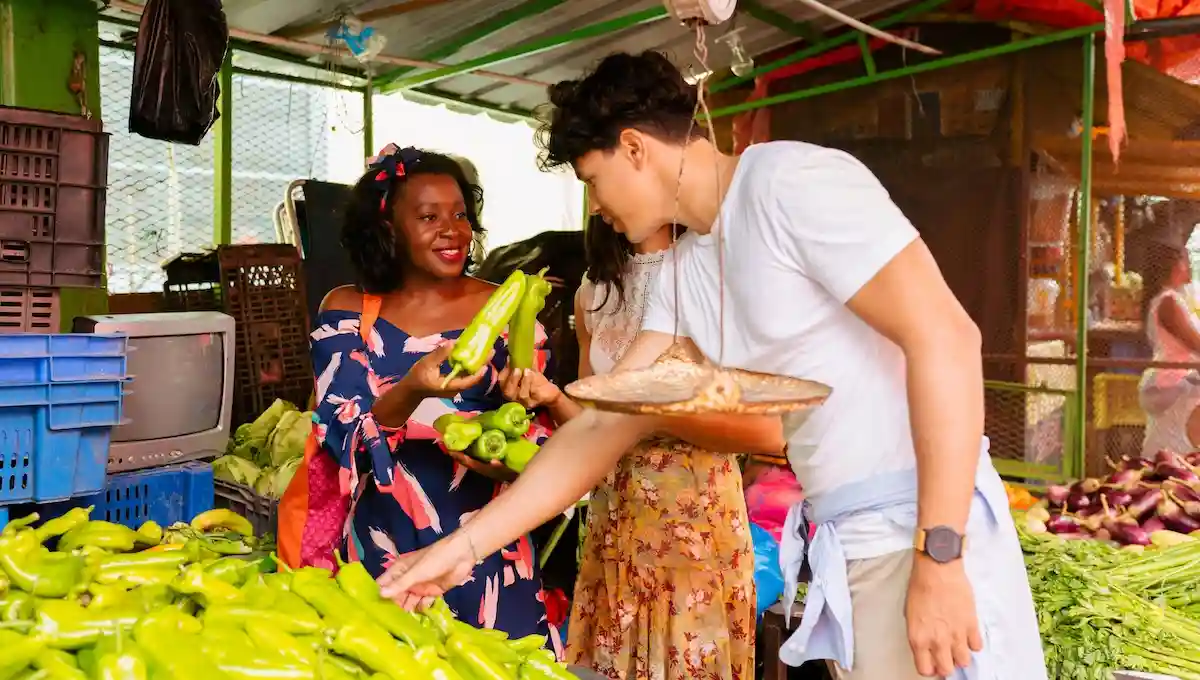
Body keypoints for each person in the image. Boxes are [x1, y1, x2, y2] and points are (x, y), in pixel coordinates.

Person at [378, 52, 1047, 680]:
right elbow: (601, 427)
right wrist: (456, 553)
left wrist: (941, 553)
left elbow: (947, 338)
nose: (599, 209)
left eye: (593, 180)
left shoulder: (789, 183)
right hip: (851, 542)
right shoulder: (686, 271)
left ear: (635, 149)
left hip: (921, 529)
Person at [310, 144, 567, 642]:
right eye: (429, 217)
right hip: (385, 545)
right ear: (388, 229)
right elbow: (339, 437)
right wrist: (411, 388)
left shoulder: (508, 306)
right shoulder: (346, 311)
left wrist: (511, 460)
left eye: (460, 214)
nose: (452, 230)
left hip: (492, 549)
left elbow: (543, 431)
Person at [559, 215, 757, 679]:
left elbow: (757, 425)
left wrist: (658, 415)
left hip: (693, 522)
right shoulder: (595, 289)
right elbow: (592, 420)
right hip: (616, 518)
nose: (599, 197)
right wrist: (551, 398)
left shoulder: (713, 274)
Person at [1139, 239, 1200, 457]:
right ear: (1175, 265)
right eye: (1186, 260)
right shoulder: (1169, 301)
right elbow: (1195, 343)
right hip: (1175, 382)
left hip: (1178, 380)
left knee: (1171, 441)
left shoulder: (1173, 299)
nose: (1190, 266)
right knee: (1174, 446)